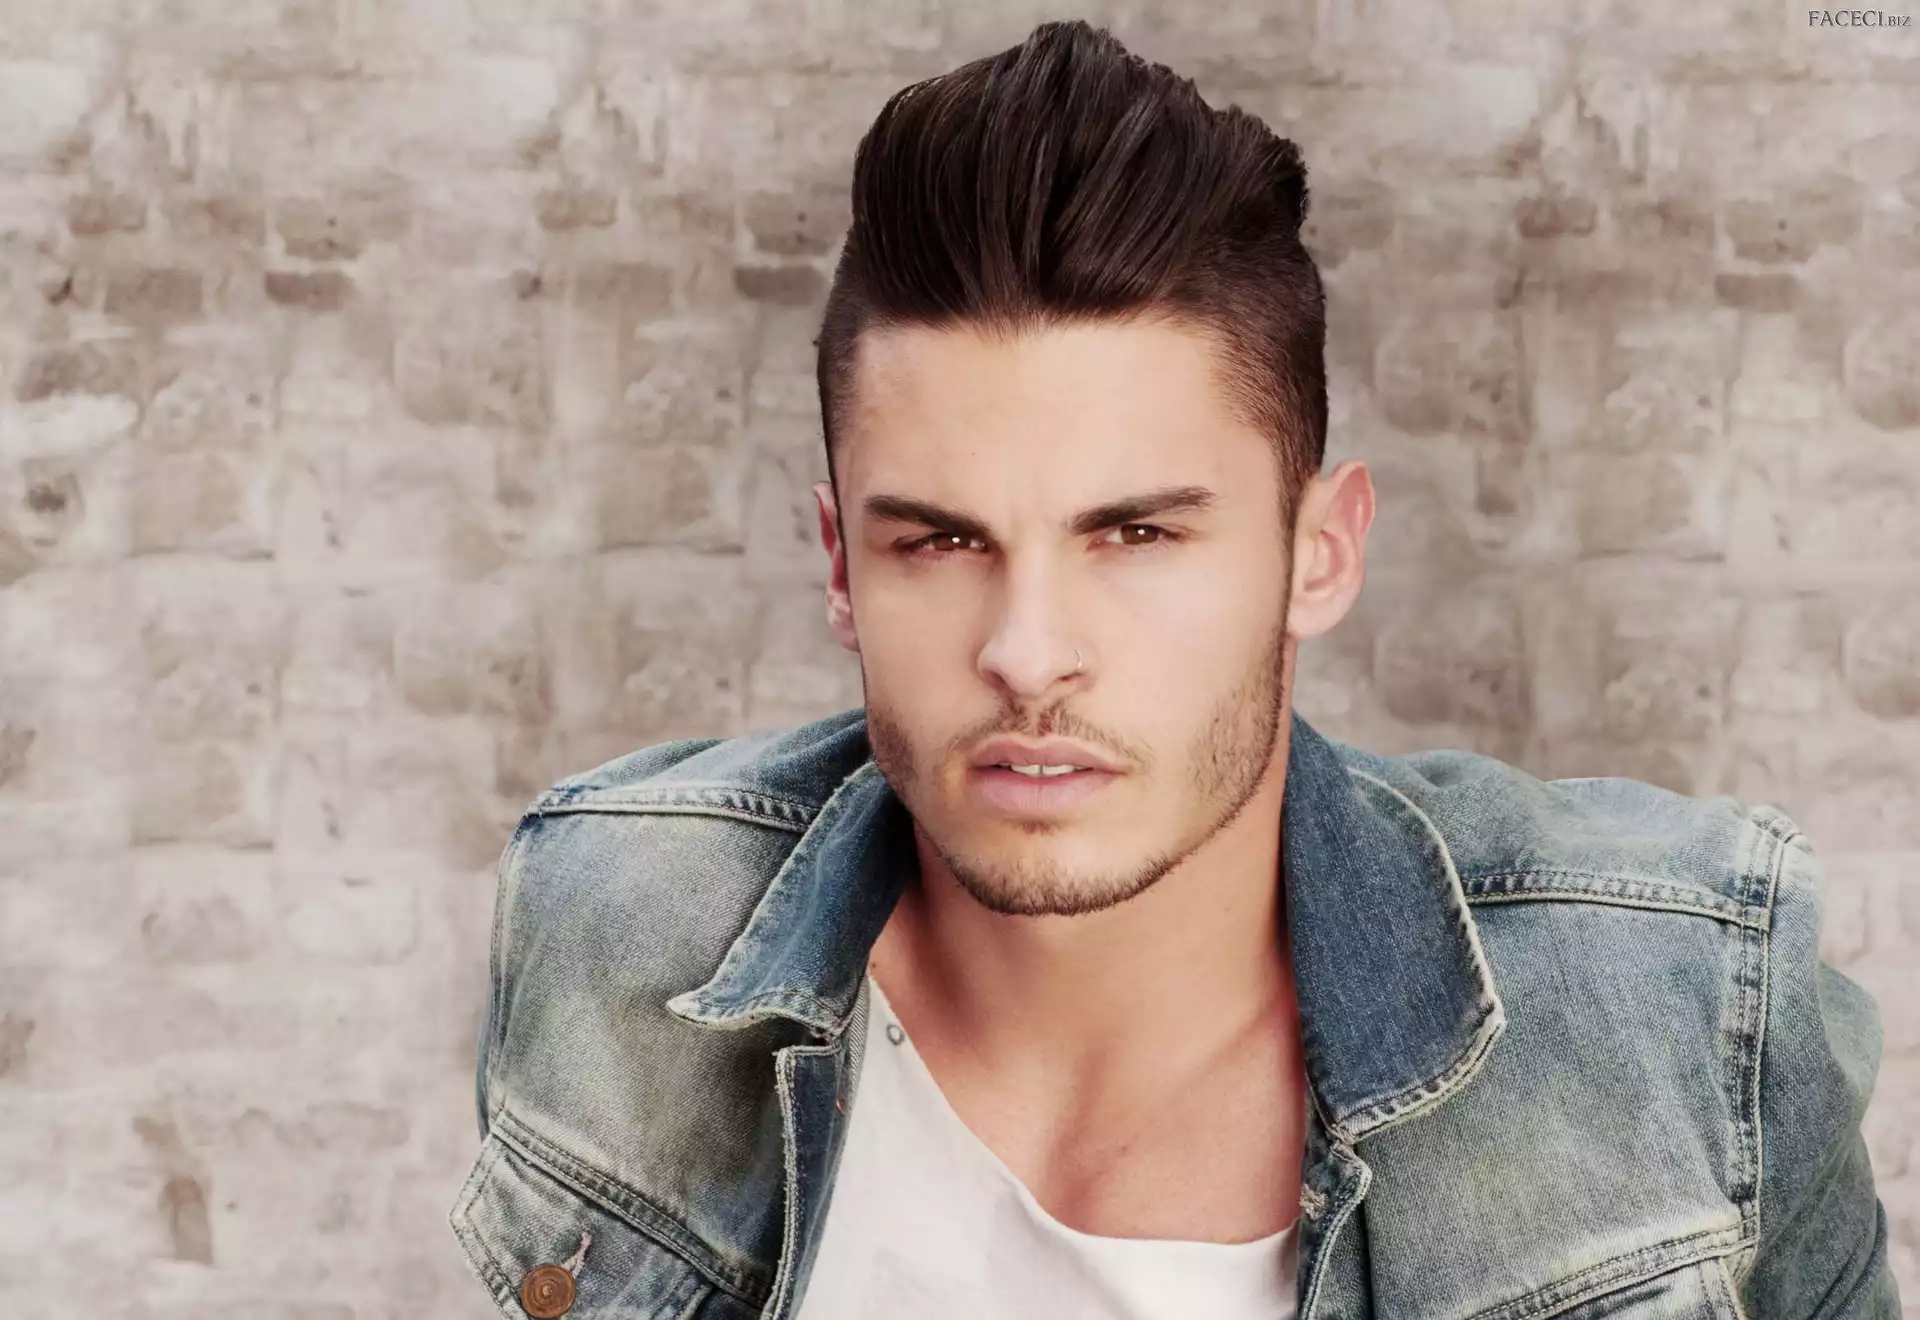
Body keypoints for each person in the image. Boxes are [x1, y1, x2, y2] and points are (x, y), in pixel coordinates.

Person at [448, 20, 1900, 1320]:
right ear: (840, 564)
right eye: (940, 542)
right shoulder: (616, 924)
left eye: (1135, 534)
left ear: (1319, 553)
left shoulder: (1678, 1010)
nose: (1028, 654)